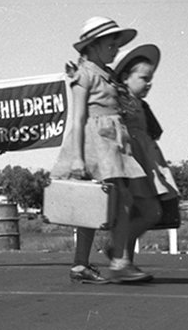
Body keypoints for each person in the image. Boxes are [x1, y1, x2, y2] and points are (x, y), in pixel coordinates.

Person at [50, 16, 149, 284]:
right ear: (92, 45)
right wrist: (78, 159)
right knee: (119, 202)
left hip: (112, 141)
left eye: (117, 44)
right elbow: (78, 117)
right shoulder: (84, 75)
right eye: (110, 43)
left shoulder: (106, 75)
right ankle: (119, 262)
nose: (115, 49)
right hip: (97, 142)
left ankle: (82, 264)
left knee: (93, 207)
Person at [112, 44, 180, 280]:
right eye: (143, 78)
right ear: (125, 77)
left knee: (147, 211)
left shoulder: (142, 105)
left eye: (150, 79)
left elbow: (154, 132)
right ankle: (121, 258)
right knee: (141, 210)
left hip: (145, 162)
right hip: (129, 160)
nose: (148, 83)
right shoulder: (118, 101)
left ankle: (122, 258)